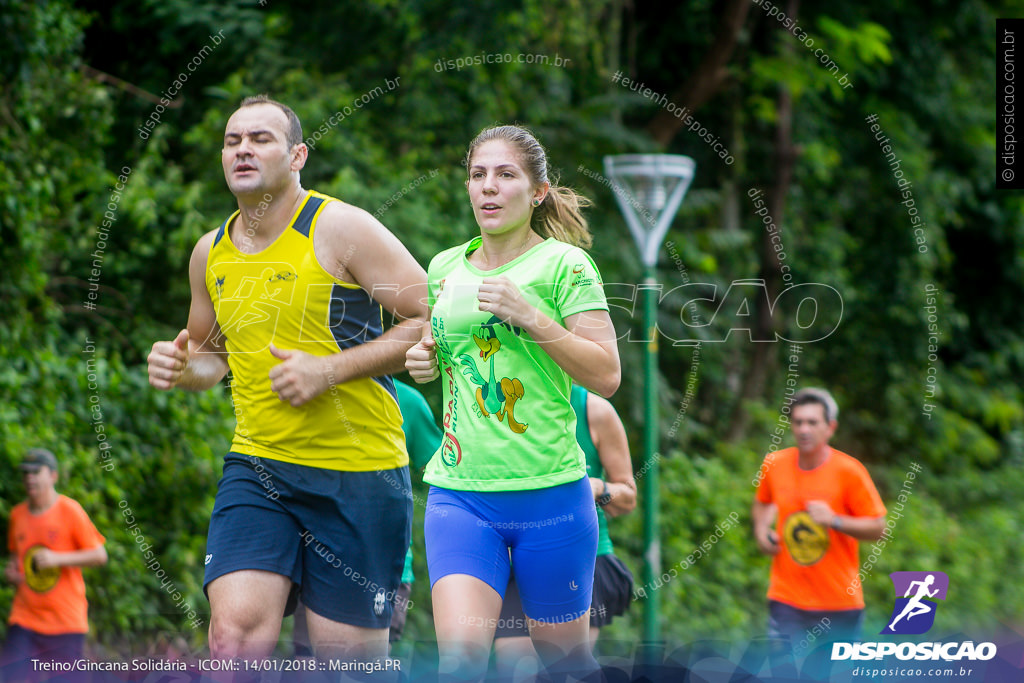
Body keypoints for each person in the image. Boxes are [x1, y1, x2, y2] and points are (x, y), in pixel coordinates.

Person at [147, 94, 428, 664]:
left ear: (298, 155)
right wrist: (181, 367)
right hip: (259, 467)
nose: (242, 149)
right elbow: (211, 356)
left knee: (342, 664)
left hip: (360, 474)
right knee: (232, 638)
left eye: (260, 139)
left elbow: (431, 321)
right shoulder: (211, 252)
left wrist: (330, 370)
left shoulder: (342, 229)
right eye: (232, 141)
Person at [406, 124, 620, 681]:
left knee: (565, 662)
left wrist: (530, 316)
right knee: (461, 661)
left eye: (506, 175)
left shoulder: (565, 267)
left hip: (550, 494)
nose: (489, 188)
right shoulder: (444, 268)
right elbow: (455, 361)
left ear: (538, 191)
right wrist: (427, 362)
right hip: (461, 495)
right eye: (478, 175)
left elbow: (607, 374)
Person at [493, 385, 637, 681]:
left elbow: (628, 496)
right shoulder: (502, 400)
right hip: (512, 556)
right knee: (515, 670)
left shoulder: (594, 410)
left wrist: (599, 489)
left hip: (579, 557)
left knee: (565, 671)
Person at [291, 379, 442, 655]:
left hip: (383, 566)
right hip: (318, 560)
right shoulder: (318, 391)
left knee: (364, 667)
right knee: (308, 664)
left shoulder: (407, 401)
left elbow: (444, 473)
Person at [752, 388, 886, 648]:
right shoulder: (774, 464)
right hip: (786, 599)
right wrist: (761, 530)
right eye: (798, 422)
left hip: (839, 603)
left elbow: (878, 528)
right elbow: (763, 503)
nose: (804, 429)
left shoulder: (849, 471)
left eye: (812, 422)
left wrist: (834, 520)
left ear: (830, 427)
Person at [2, 448, 107, 681]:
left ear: (53, 476)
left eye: (36, 472)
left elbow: (100, 555)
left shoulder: (70, 511)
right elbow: (16, 561)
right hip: (25, 618)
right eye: (25, 473)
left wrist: (57, 559)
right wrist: (13, 573)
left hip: (65, 621)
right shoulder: (17, 515)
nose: (30, 478)